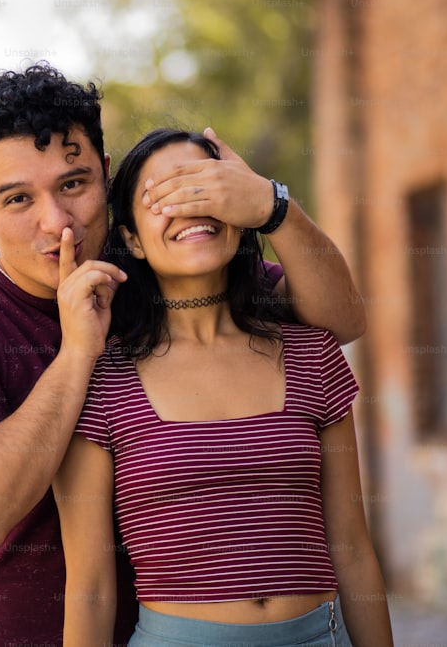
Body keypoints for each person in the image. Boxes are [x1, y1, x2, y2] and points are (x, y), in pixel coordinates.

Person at [0, 63, 367, 647]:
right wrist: (77, 353)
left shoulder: (170, 272)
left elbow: (340, 319)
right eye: (18, 199)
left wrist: (274, 206)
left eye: (74, 184)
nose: (57, 221)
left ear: (105, 175)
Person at [54, 128, 393, 646]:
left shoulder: (312, 354)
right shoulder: (103, 381)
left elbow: (351, 547)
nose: (190, 208)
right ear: (133, 241)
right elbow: (93, 587)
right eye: (163, 197)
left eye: (206, 188)